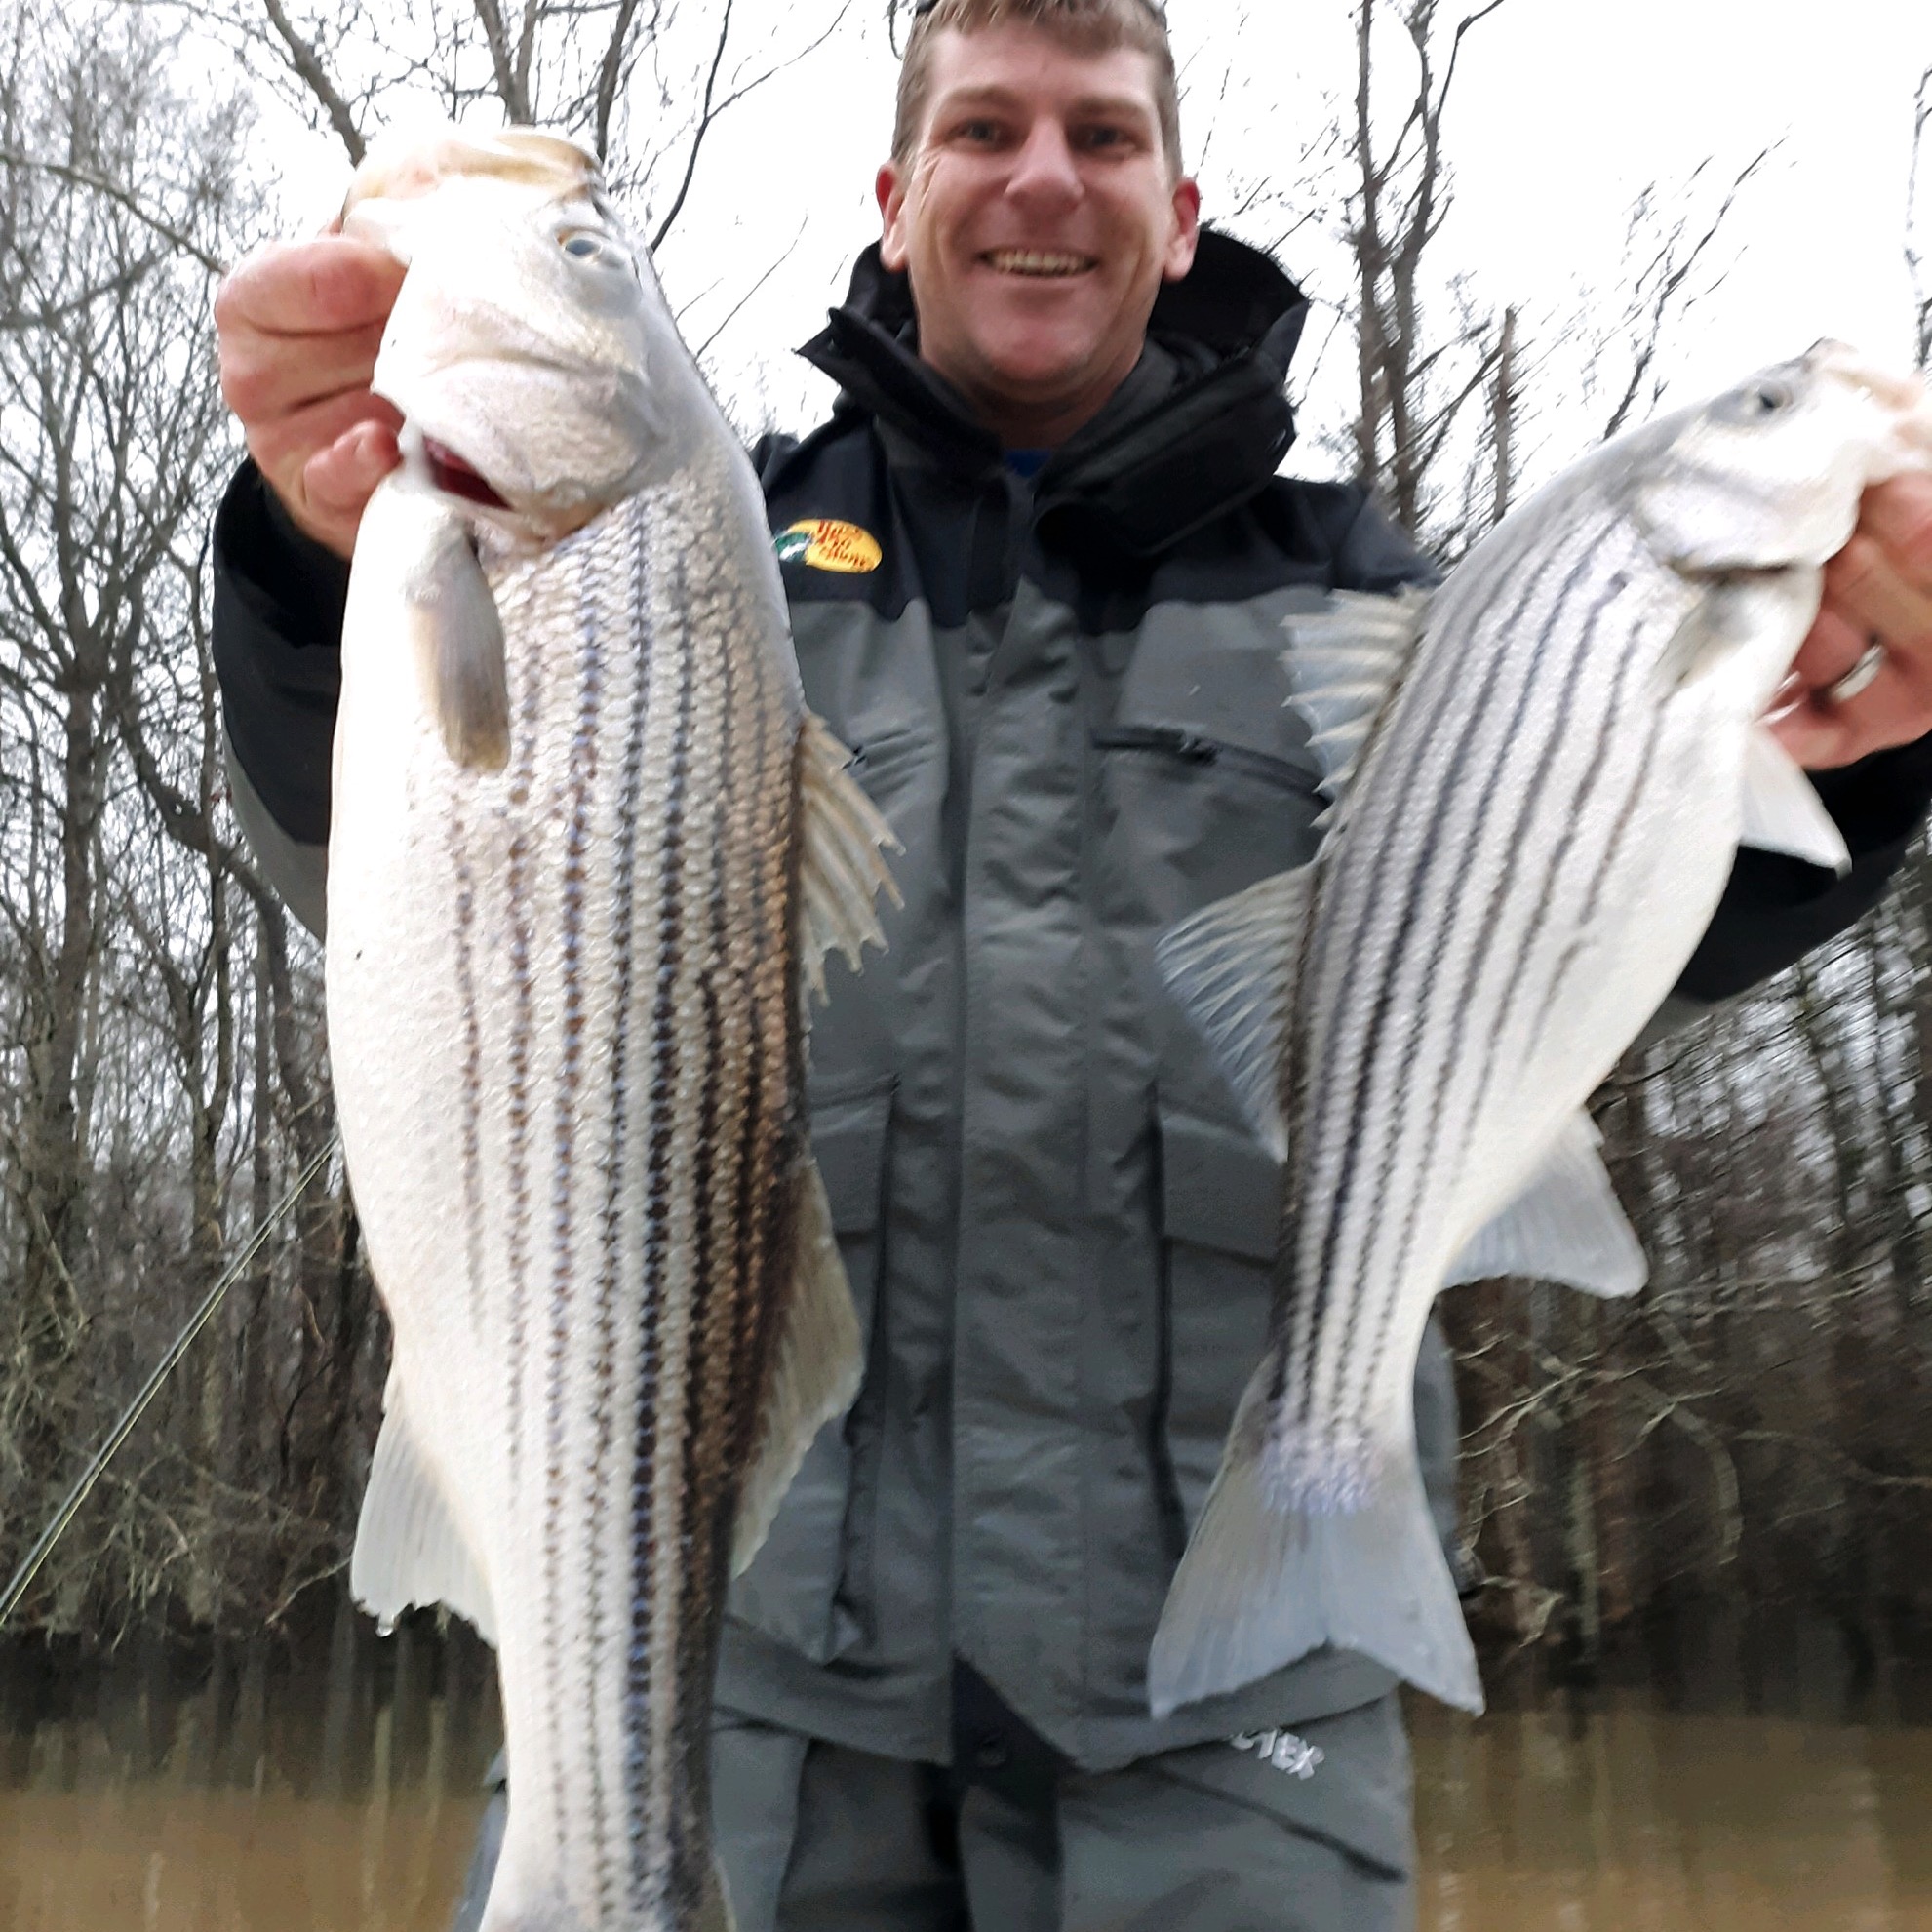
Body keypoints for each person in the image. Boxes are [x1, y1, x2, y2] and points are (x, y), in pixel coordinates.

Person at [210, 1, 1932, 1924]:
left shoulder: (1386, 600)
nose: (1043, 179)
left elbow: (1592, 929)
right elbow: (378, 853)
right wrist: (314, 562)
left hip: (1226, 1743)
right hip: (722, 1688)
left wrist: (1844, 754)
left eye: (1102, 139)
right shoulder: (696, 555)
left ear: (1179, 211)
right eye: (985, 130)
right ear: (893, 195)